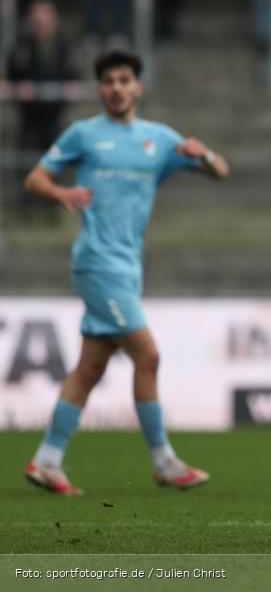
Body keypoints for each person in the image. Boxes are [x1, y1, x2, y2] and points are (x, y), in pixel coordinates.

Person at [22, 50, 231, 496]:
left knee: (90, 367)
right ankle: (164, 461)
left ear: (137, 87)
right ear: (100, 90)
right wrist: (62, 193)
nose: (116, 88)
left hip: (127, 267)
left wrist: (206, 153)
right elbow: (33, 179)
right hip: (97, 263)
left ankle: (47, 460)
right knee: (148, 356)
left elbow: (220, 172)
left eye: (124, 80)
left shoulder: (157, 139)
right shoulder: (84, 134)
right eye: (108, 81)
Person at [6, 0, 78, 222]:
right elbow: (13, 72)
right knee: (28, 158)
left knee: (54, 160)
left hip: (54, 112)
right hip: (30, 113)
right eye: (37, 18)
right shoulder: (23, 44)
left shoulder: (64, 44)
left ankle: (52, 207)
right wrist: (21, 87)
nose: (41, 23)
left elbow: (73, 73)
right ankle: (26, 207)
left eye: (45, 17)